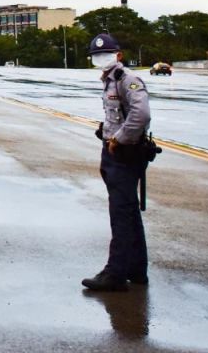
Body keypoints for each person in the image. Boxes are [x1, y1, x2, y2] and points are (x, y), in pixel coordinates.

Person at [82, 33, 152, 292]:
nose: (101, 59)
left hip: (124, 154)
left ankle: (115, 273)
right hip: (115, 152)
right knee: (129, 212)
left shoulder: (127, 80)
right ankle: (136, 269)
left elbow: (141, 113)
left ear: (119, 55)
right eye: (97, 56)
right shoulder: (110, 81)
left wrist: (119, 139)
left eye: (106, 54)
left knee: (121, 214)